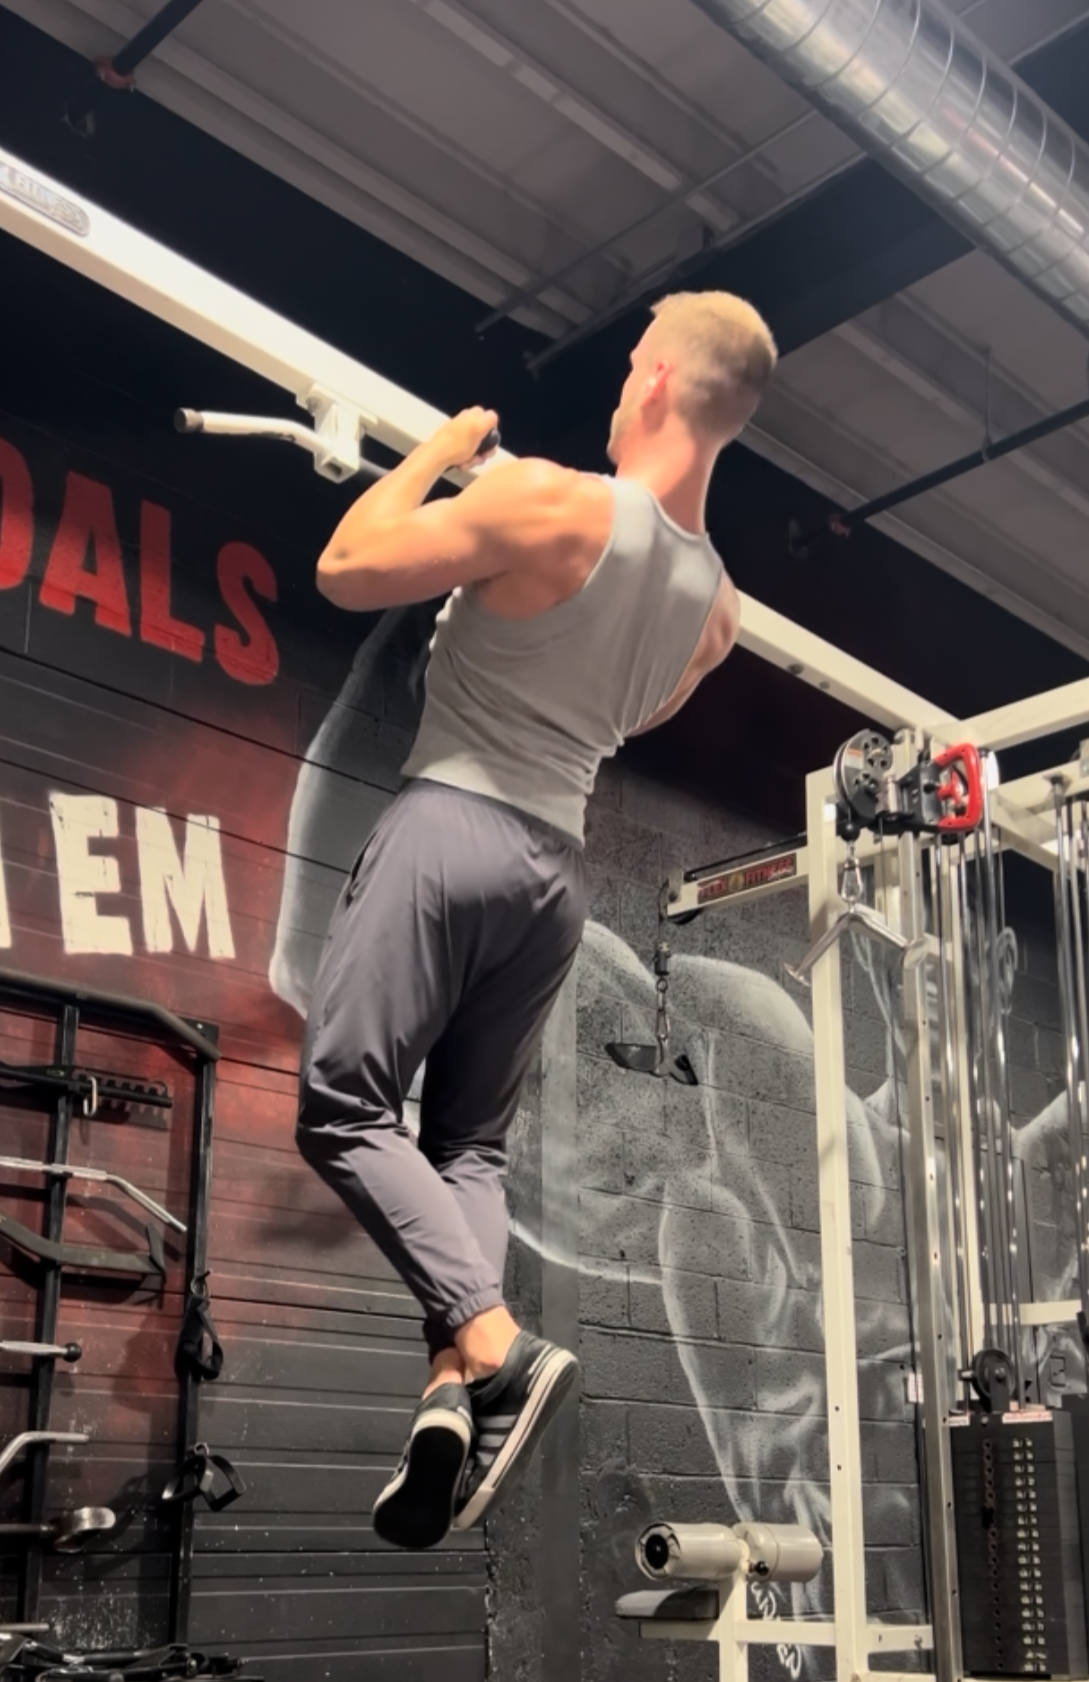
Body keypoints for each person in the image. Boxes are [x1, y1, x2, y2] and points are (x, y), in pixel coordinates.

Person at [296, 290, 777, 1550]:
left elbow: (346, 565)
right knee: (468, 1153)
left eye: (629, 367)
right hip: (553, 877)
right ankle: (449, 1393)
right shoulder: (717, 608)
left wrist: (442, 453)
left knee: (345, 1105)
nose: (618, 386)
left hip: (450, 824)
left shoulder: (554, 500)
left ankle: (499, 1348)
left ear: (663, 379)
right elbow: (632, 706)